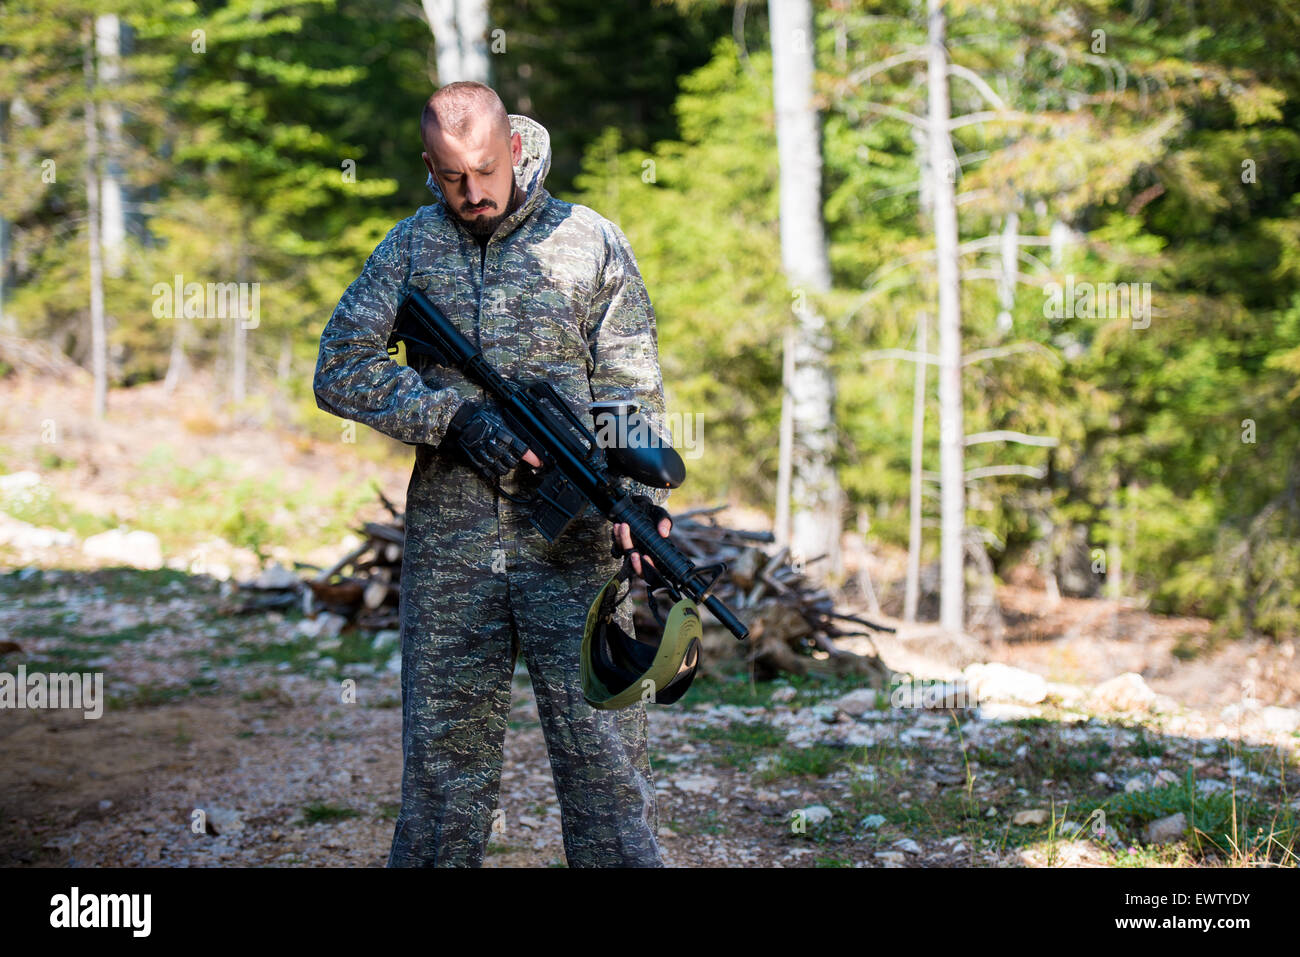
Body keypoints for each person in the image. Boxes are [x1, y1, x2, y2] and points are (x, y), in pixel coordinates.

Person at [312, 81, 673, 867]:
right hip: (452, 556)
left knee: (607, 781)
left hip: (575, 557)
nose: (471, 193)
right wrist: (452, 419)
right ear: (427, 167)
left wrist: (640, 505)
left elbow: (629, 389)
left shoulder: (589, 241)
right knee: (443, 787)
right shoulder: (410, 246)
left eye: (483, 170)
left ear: (515, 146)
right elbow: (338, 367)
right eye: (450, 178)